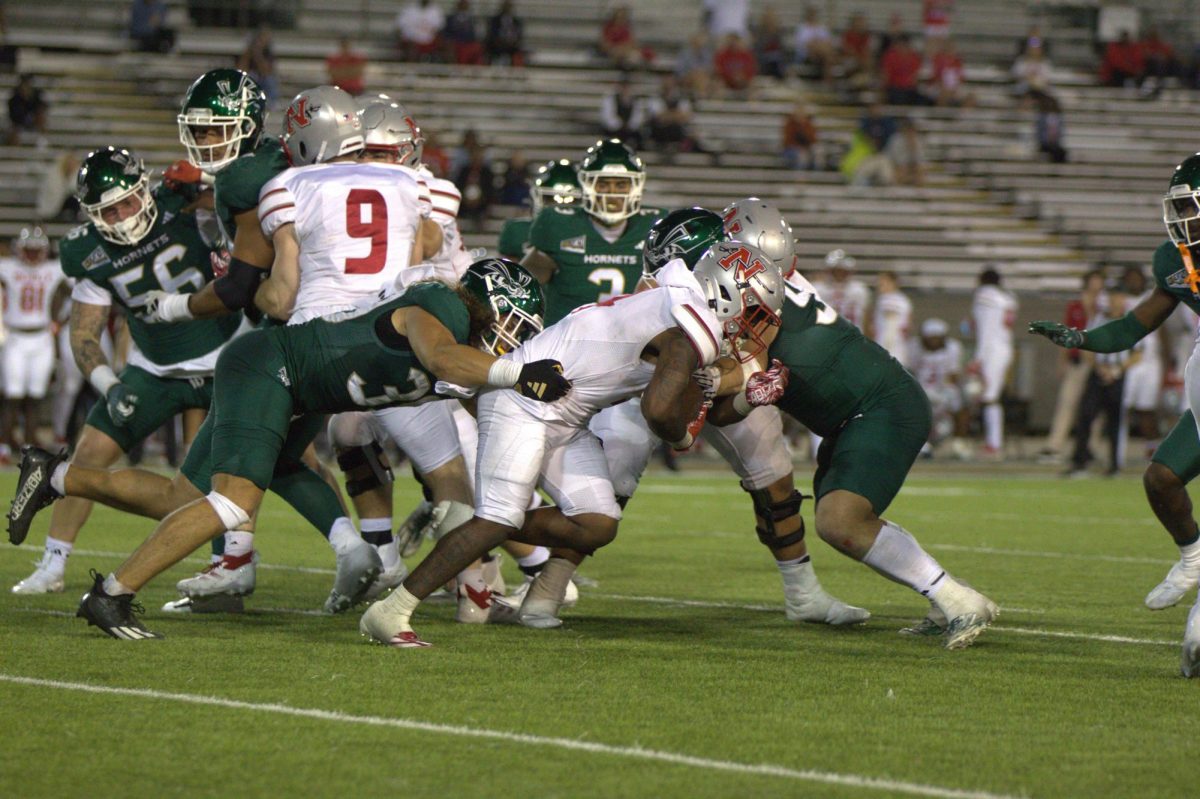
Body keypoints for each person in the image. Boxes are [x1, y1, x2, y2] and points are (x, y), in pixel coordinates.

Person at [63, 258, 568, 639]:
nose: (513, 340)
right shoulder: (441, 306)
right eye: (515, 323)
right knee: (232, 503)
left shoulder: (471, 359)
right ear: (489, 304)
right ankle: (110, 595)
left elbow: (489, 429)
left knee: (195, 494)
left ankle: (58, 480)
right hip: (270, 367)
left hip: (303, 394)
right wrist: (517, 374)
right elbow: (440, 358)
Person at [359, 243, 772, 646]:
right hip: (524, 401)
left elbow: (690, 403)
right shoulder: (689, 322)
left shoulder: (675, 303)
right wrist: (683, 436)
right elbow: (660, 412)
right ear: (726, 294)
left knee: (595, 523)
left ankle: (473, 525)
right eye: (752, 308)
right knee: (498, 517)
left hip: (564, 414)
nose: (754, 322)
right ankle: (391, 610)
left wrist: (744, 396)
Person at [706, 264, 999, 650]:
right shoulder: (779, 297)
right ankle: (948, 597)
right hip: (854, 418)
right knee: (845, 519)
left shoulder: (770, 316)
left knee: (840, 521)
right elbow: (725, 406)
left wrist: (709, 380)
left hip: (883, 408)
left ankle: (958, 599)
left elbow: (749, 366)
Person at [6, 147, 240, 595]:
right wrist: (108, 384)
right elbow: (84, 334)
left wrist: (206, 187)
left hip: (221, 355)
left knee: (242, 468)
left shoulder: (182, 206)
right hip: (152, 368)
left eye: (126, 203)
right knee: (89, 451)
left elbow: (242, 209)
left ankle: (239, 563)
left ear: (144, 190)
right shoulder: (88, 252)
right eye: (106, 210)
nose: (119, 216)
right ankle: (53, 564)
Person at [1030, 152, 1200, 676]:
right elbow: (1133, 326)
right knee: (1161, 478)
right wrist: (1081, 339)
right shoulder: (1176, 261)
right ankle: (1194, 556)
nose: (1182, 219)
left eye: (1190, 207)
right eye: (1180, 208)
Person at [520, 139, 660, 325]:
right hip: (567, 344)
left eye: (620, 185)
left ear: (636, 187)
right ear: (586, 185)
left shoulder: (654, 227)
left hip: (630, 344)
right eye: (602, 185)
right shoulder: (559, 225)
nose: (611, 194)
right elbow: (520, 286)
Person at [0, 227, 65, 459]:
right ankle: (4, 446)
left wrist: (61, 319)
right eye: (29, 250)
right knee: (13, 395)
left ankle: (28, 445)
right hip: (16, 337)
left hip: (42, 337)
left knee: (36, 396)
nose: (33, 255)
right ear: (19, 249)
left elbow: (76, 287)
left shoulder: (52, 269)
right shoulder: (9, 267)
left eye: (37, 250)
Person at [1066, 289, 1139, 477]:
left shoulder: (1130, 323)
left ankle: (1114, 466)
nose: (1116, 301)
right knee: (1085, 416)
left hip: (1117, 374)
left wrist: (1117, 370)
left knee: (1115, 422)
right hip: (1098, 372)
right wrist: (1098, 368)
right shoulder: (1098, 319)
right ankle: (1079, 463)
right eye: (1113, 297)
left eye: (1119, 296)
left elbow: (1138, 353)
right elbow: (1086, 347)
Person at [1040, 269, 1106, 461]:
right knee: (1067, 402)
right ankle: (1055, 444)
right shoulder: (1075, 305)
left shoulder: (1104, 306)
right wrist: (1062, 361)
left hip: (1097, 359)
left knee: (1094, 407)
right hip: (1078, 360)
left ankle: (1091, 446)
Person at [970, 267, 1018, 458]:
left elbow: (987, 329)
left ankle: (994, 443)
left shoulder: (986, 295)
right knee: (989, 396)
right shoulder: (1007, 297)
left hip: (992, 351)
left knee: (989, 396)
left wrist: (978, 358)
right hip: (1003, 348)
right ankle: (993, 441)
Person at [1121, 267, 1167, 459]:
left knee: (1147, 408)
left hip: (1150, 360)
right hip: (1127, 360)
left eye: (1137, 278)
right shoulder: (1120, 300)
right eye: (1130, 278)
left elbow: (1163, 331)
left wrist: (1167, 359)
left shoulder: (1151, 298)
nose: (1134, 282)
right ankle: (1117, 453)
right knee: (1122, 407)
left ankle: (1153, 449)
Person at [908, 318, 969, 457]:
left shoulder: (953, 347)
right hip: (922, 389)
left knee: (960, 401)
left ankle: (959, 442)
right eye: (930, 338)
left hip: (943, 389)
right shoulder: (914, 346)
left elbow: (954, 375)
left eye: (937, 338)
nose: (933, 341)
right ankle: (918, 443)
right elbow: (910, 372)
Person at [497, 158, 579, 260]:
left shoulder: (595, 235)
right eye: (551, 199)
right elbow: (507, 272)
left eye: (571, 201)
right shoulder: (518, 232)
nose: (560, 208)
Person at [812, 249, 870, 329]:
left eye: (843, 271)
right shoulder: (818, 289)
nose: (839, 274)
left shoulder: (858, 290)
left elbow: (865, 317)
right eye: (836, 271)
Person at [646, 74, 698, 156]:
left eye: (671, 82)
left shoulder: (682, 99)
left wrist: (668, 115)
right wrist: (676, 115)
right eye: (666, 81)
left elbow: (685, 117)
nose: (668, 84)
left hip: (677, 132)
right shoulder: (655, 98)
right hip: (660, 133)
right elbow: (659, 117)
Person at [870, 270, 911, 367]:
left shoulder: (890, 300)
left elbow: (892, 324)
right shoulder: (904, 300)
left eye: (883, 281)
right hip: (895, 345)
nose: (879, 284)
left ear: (893, 282)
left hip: (889, 345)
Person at [880, 35, 928, 106]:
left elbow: (917, 75)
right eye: (900, 45)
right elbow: (886, 74)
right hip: (895, 88)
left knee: (923, 99)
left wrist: (914, 83)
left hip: (910, 89)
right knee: (898, 97)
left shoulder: (914, 57)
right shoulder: (890, 56)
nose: (902, 47)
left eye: (904, 45)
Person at [599, 78, 646, 150]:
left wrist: (629, 125)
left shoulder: (636, 101)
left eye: (627, 87)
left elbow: (638, 117)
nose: (625, 90)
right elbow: (607, 116)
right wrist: (620, 124)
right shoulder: (610, 99)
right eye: (623, 87)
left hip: (629, 130)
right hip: (614, 130)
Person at [792, 6, 836, 81]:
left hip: (821, 54)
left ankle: (827, 78)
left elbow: (829, 42)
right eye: (811, 14)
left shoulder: (822, 28)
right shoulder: (803, 28)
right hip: (807, 55)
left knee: (826, 52)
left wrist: (818, 43)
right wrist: (817, 43)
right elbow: (804, 44)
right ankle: (828, 80)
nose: (813, 16)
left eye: (814, 14)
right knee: (825, 53)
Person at [599, 6, 649, 71]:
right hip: (612, 52)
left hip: (625, 51)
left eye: (622, 17)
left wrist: (623, 48)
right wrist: (615, 49)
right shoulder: (608, 28)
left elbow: (631, 42)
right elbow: (604, 43)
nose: (620, 18)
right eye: (619, 16)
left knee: (635, 56)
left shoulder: (627, 28)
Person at [237, 28, 279, 103]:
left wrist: (258, 54)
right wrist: (249, 53)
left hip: (264, 79)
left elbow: (266, 71)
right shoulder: (248, 52)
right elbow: (241, 70)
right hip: (253, 76)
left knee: (270, 80)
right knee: (249, 78)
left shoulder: (268, 53)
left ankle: (271, 103)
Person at [6, 73, 47, 146]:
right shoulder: (14, 98)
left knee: (41, 116)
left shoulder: (37, 96)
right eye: (24, 84)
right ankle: (15, 151)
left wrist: (34, 116)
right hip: (19, 123)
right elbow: (12, 116)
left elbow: (44, 107)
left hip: (34, 122)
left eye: (28, 84)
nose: (26, 87)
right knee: (13, 130)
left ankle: (42, 140)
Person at [442, 0, 483, 65]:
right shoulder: (451, 18)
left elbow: (476, 33)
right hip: (455, 43)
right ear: (458, 6)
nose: (463, 6)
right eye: (462, 4)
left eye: (465, 4)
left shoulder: (472, 19)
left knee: (477, 47)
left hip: (468, 43)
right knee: (450, 49)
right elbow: (446, 32)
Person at [887, 117, 926, 186]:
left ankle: (915, 188)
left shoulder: (917, 140)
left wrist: (913, 148)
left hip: (911, 166)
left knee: (920, 171)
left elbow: (920, 159)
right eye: (907, 128)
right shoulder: (896, 139)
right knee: (901, 170)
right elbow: (894, 158)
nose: (909, 131)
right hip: (895, 165)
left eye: (911, 128)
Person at [674, 32, 713, 100]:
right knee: (699, 76)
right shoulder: (684, 53)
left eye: (701, 42)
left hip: (702, 77)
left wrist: (699, 72)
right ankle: (702, 97)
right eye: (697, 41)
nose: (699, 44)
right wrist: (691, 73)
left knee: (702, 77)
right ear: (692, 42)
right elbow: (679, 70)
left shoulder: (706, 54)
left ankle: (700, 96)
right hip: (686, 77)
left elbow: (709, 68)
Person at [484, 0, 524, 66]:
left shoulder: (516, 21)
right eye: (506, 6)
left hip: (511, 45)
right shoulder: (495, 20)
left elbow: (519, 35)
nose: (507, 8)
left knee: (518, 50)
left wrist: (513, 41)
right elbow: (492, 34)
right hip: (498, 44)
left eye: (509, 6)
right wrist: (501, 41)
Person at [753, 5, 788, 80]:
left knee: (779, 60)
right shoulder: (759, 33)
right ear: (764, 19)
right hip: (763, 61)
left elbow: (783, 51)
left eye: (772, 18)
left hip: (777, 64)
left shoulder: (779, 33)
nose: (770, 20)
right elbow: (757, 50)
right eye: (768, 17)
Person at [782, 102, 818, 171]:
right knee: (801, 156)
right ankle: (800, 177)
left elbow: (813, 140)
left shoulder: (808, 124)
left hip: (806, 149)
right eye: (798, 111)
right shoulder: (790, 124)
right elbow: (787, 141)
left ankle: (817, 174)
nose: (800, 113)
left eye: (802, 111)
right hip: (791, 149)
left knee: (818, 153)